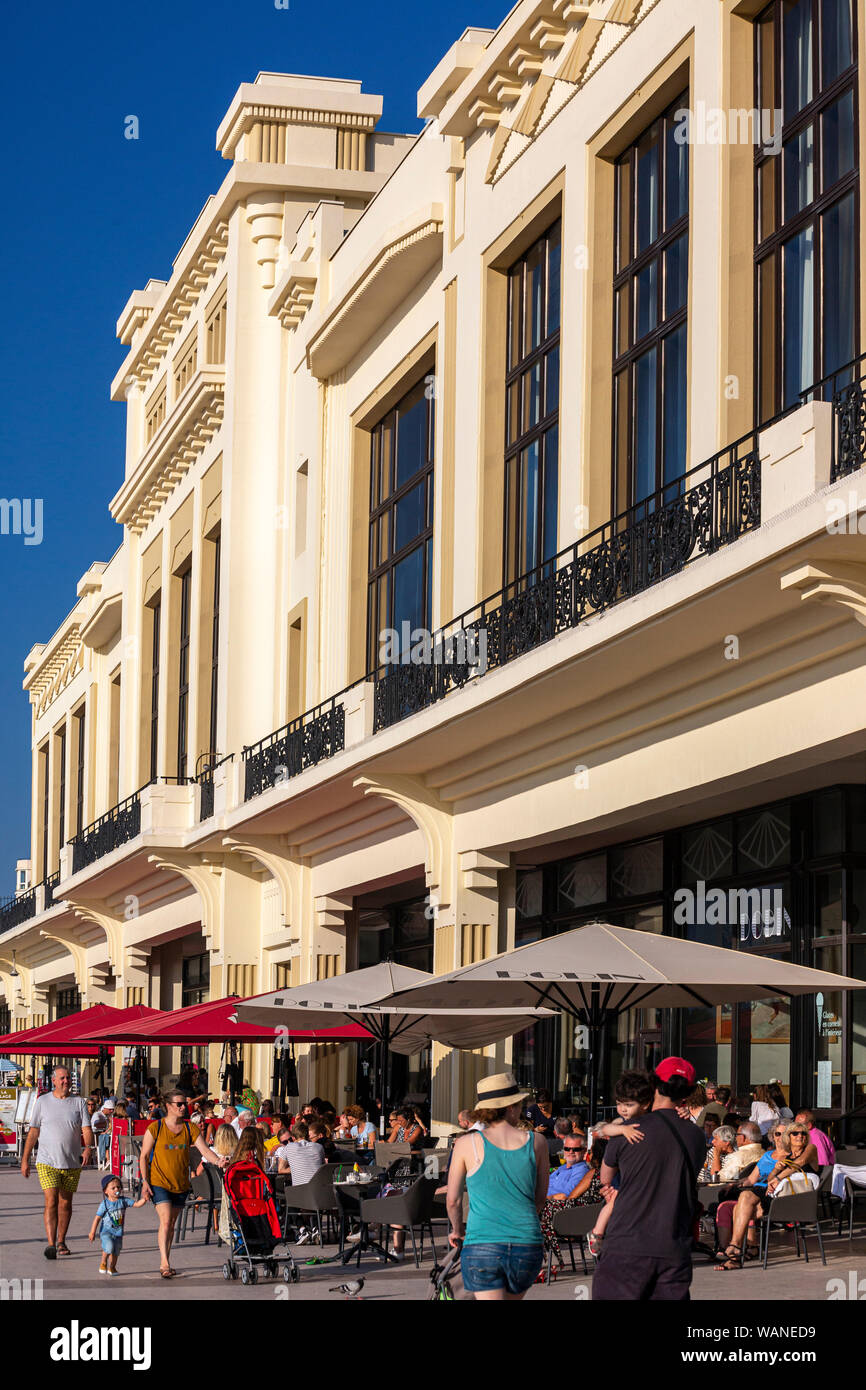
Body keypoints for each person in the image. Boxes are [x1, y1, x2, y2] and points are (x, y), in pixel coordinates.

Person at [592, 1057, 707, 1301]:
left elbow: (606, 1177)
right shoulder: (696, 1135)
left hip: (627, 1242)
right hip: (674, 1245)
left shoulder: (628, 1131)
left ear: (653, 1084)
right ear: (686, 1093)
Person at [447, 1072, 549, 1301]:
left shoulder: (465, 1144)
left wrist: (457, 1230)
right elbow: (540, 1197)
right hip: (526, 1243)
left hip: (483, 1243)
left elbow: (453, 1200)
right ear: (511, 1107)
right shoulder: (537, 1142)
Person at [139, 1090, 228, 1278]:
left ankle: (166, 1260)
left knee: (171, 1224)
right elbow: (144, 1155)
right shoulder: (156, 1128)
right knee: (165, 1221)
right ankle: (164, 1262)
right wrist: (145, 1182)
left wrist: (218, 1161)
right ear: (168, 1106)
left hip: (180, 1184)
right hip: (159, 1182)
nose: (183, 1107)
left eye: (183, 1104)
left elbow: (205, 1151)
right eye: (179, 1104)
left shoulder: (190, 1129)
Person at [714, 1120, 815, 1268]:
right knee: (737, 1203)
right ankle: (738, 1252)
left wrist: (777, 1176)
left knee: (745, 1199)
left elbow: (800, 1162)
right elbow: (758, 1179)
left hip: (789, 1198)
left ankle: (736, 1248)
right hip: (769, 1193)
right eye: (778, 1134)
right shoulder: (773, 1155)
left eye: (802, 1133)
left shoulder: (808, 1150)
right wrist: (774, 1172)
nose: (798, 1136)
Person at [21, 1066, 94, 1260]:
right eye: (62, 1078)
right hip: (47, 1161)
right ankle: (51, 1244)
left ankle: (62, 1240)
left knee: (65, 1203)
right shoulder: (43, 1102)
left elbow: (86, 1129)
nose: (66, 1081)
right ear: (53, 1081)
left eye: (68, 1078)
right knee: (51, 1201)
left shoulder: (78, 1102)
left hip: (71, 1161)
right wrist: (25, 1159)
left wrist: (88, 1148)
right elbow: (34, 1131)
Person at [88, 1173, 146, 1275]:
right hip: (106, 1232)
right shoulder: (104, 1204)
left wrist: (144, 1199)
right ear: (105, 1191)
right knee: (109, 1247)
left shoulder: (123, 1201)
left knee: (116, 1252)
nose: (116, 1189)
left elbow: (136, 1204)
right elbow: (97, 1218)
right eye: (113, 1188)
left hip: (118, 1233)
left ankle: (112, 1267)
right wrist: (92, 1232)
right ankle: (103, 1262)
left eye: (118, 1187)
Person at [274, 1120, 326, 1184]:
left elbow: (281, 1170)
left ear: (293, 1137)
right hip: (318, 1190)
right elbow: (322, 1167)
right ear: (308, 1135)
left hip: (299, 1191)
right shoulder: (319, 1147)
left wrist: (296, 1167)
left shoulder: (288, 1147)